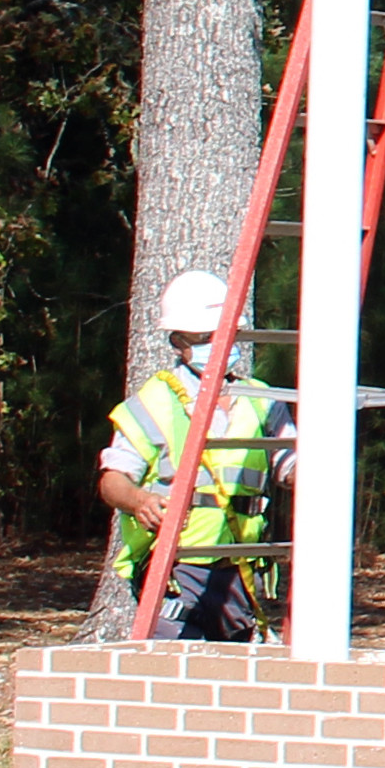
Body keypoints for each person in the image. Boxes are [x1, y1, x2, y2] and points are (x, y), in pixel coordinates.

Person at [100, 270, 285, 642]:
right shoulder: (153, 403)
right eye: (205, 338)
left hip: (240, 567)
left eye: (225, 335)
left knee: (229, 674)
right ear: (179, 342)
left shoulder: (261, 400)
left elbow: (289, 464)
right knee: (179, 668)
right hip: (177, 565)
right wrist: (140, 501)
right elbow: (112, 479)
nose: (219, 345)